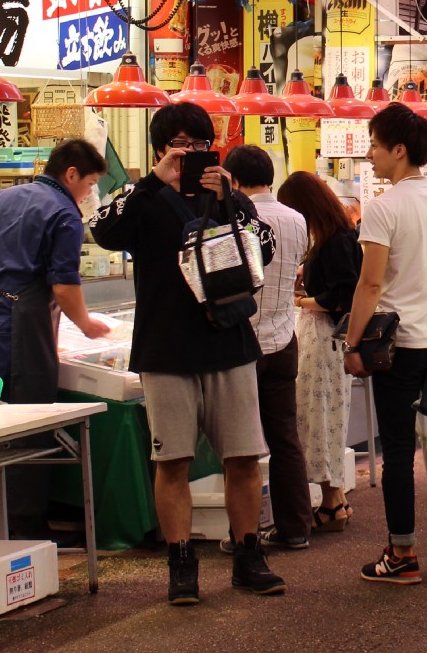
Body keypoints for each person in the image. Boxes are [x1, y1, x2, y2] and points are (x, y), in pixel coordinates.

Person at [92, 103, 284, 605]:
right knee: (172, 461)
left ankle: (248, 554)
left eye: (200, 145)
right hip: (165, 349)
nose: (191, 154)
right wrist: (153, 182)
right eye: (181, 144)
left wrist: (228, 203)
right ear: (160, 148)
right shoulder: (141, 198)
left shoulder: (230, 198)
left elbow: (263, 248)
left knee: (244, 458)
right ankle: (181, 564)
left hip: (229, 343)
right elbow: (103, 232)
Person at [347, 103, 427, 585]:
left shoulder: (384, 207)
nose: (371, 153)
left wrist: (353, 343)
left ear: (399, 151)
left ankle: (402, 555)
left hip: (399, 347)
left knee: (399, 452)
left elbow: (371, 286)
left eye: (376, 144)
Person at [0, 138, 110, 538]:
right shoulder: (64, 213)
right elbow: (63, 286)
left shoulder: (0, 198)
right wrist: (85, 323)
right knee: (28, 419)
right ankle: (25, 527)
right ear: (71, 174)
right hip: (17, 324)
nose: (90, 193)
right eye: (90, 183)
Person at [223, 145, 311, 553]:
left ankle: (243, 536)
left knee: (239, 446)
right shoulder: (297, 219)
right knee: (285, 438)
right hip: (283, 337)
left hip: (242, 343)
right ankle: (295, 527)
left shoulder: (234, 218)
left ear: (234, 181)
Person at [277, 172, 359, 534]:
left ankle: (332, 499)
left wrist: (301, 300)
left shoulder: (336, 241)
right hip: (323, 339)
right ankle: (335, 496)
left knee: (318, 417)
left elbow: (341, 297)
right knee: (323, 418)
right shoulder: (332, 237)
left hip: (323, 339)